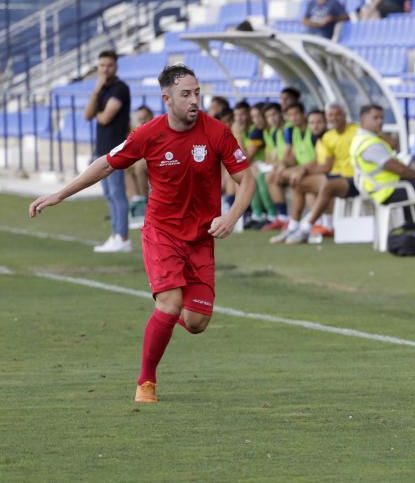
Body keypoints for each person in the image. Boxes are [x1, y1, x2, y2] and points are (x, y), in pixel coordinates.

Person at [29, 64, 254, 403]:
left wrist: (232, 216)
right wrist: (60, 193)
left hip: (200, 237)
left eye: (197, 92)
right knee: (170, 303)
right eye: (186, 94)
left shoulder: (217, 132)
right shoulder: (148, 134)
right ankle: (146, 382)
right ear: (167, 99)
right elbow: (106, 163)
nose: (195, 100)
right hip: (161, 233)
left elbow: (246, 179)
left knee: (196, 322)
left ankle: (168, 321)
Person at [350, 103, 415, 223]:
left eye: (382, 118)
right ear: (363, 119)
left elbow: (394, 155)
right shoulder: (371, 144)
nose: (380, 121)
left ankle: (413, 227)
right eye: (375, 118)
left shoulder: (360, 139)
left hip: (380, 188)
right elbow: (399, 169)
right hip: (387, 190)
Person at [284, 104, 361, 245]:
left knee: (326, 185)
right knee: (298, 182)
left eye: (337, 114)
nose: (334, 118)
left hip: (354, 177)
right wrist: (302, 170)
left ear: (344, 114)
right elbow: (323, 163)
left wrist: (304, 169)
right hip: (336, 175)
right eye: (331, 115)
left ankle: (308, 227)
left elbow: (326, 166)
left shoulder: (357, 130)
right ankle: (293, 226)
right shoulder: (327, 137)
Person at [83, 50, 132, 253]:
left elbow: (104, 118)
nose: (105, 69)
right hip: (101, 149)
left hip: (116, 149)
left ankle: (122, 236)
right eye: (102, 65)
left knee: (117, 193)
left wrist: (98, 112)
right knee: (109, 195)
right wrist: (95, 91)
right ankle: (114, 235)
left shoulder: (120, 89)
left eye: (109, 65)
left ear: (116, 66)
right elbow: (88, 115)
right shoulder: (102, 89)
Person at [268, 103, 323, 243]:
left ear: (303, 114)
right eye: (290, 115)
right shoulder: (293, 131)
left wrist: (301, 169)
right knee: (277, 176)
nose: (293, 118)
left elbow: (320, 160)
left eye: (296, 114)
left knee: (299, 182)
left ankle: (303, 224)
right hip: (304, 169)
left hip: (316, 170)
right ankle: (291, 221)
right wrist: (282, 165)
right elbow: (289, 157)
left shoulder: (316, 134)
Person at [124, 104, 154, 205]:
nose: (142, 121)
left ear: (151, 117)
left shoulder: (157, 130)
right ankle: (134, 200)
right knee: (125, 166)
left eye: (145, 118)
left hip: (158, 161)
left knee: (139, 166)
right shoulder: (135, 133)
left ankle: (143, 201)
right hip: (143, 161)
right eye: (139, 119)